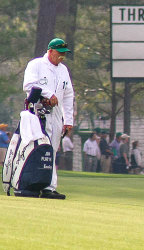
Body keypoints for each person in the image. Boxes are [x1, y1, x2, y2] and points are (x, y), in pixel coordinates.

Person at [22, 38, 74, 199]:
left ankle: (49, 187)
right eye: (59, 53)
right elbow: (29, 85)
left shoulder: (63, 70)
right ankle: (31, 183)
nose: (61, 57)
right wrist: (48, 94)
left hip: (57, 114)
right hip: (38, 112)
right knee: (38, 148)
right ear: (50, 51)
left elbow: (68, 95)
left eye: (64, 54)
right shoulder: (36, 65)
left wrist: (68, 120)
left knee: (52, 150)